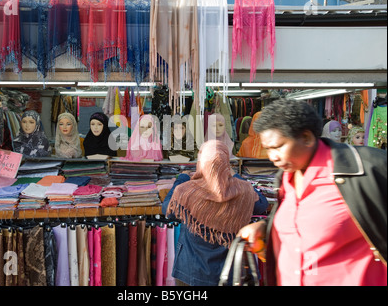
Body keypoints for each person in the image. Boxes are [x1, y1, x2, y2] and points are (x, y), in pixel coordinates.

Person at [238, 98, 387, 286]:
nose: (272, 157)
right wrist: (267, 228)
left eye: (278, 146)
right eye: (268, 149)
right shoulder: (286, 178)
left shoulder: (363, 170)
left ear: (306, 138)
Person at [162, 139, 268, 286]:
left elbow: (167, 210)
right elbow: (262, 204)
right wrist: (235, 176)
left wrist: (182, 179)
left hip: (191, 272)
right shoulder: (243, 190)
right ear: (227, 164)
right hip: (230, 273)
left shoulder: (186, 191)